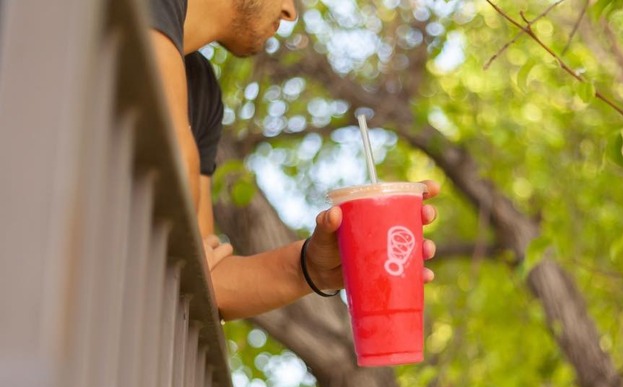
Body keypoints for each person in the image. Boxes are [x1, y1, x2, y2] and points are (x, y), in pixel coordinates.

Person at [148, 0, 439, 320]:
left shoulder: (202, 91)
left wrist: (313, 268)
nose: (290, 12)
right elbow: (182, 241)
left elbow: (204, 281)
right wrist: (188, 257)